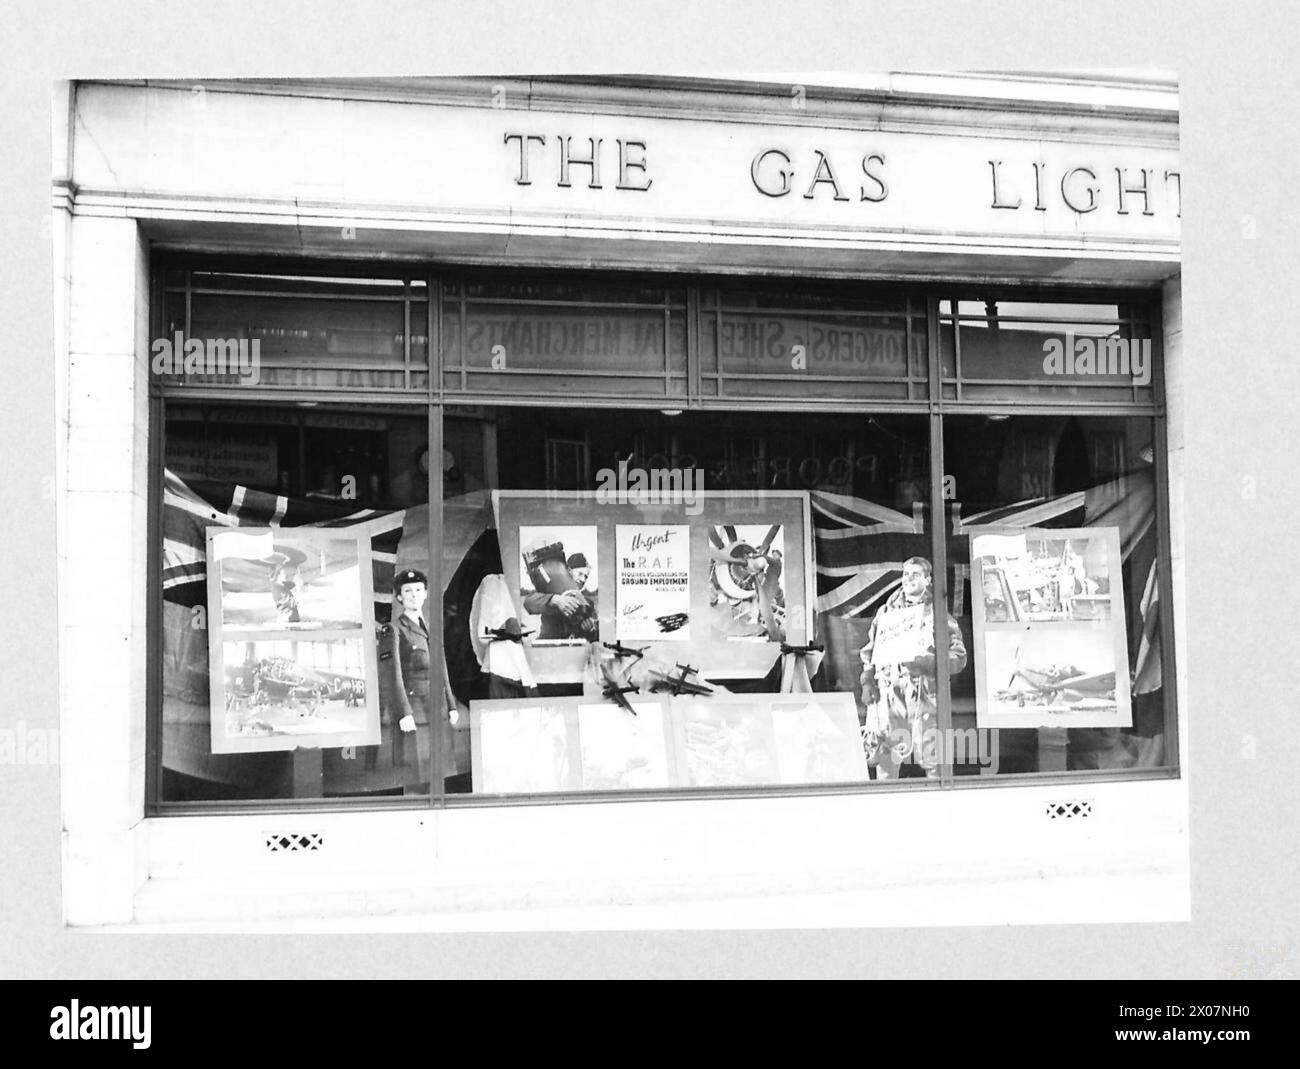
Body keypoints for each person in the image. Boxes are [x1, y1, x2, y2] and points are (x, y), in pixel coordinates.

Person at [858, 556, 967, 779]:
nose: (909, 579)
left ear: (927, 579)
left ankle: (940, 803)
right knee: (886, 757)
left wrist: (926, 662)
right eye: (906, 574)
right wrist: (867, 681)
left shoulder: (938, 615)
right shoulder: (885, 613)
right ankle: (886, 805)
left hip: (923, 692)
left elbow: (958, 657)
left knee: (933, 756)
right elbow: (871, 650)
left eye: (916, 574)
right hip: (889, 691)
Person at [381, 568, 454, 790]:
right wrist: (404, 712)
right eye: (408, 591)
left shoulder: (432, 627)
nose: (414, 595)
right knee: (417, 772)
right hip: (414, 710)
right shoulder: (392, 629)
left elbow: (442, 667)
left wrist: (451, 704)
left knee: (441, 767)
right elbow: (392, 674)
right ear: (400, 597)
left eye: (419, 590)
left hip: (437, 707)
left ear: (425, 593)